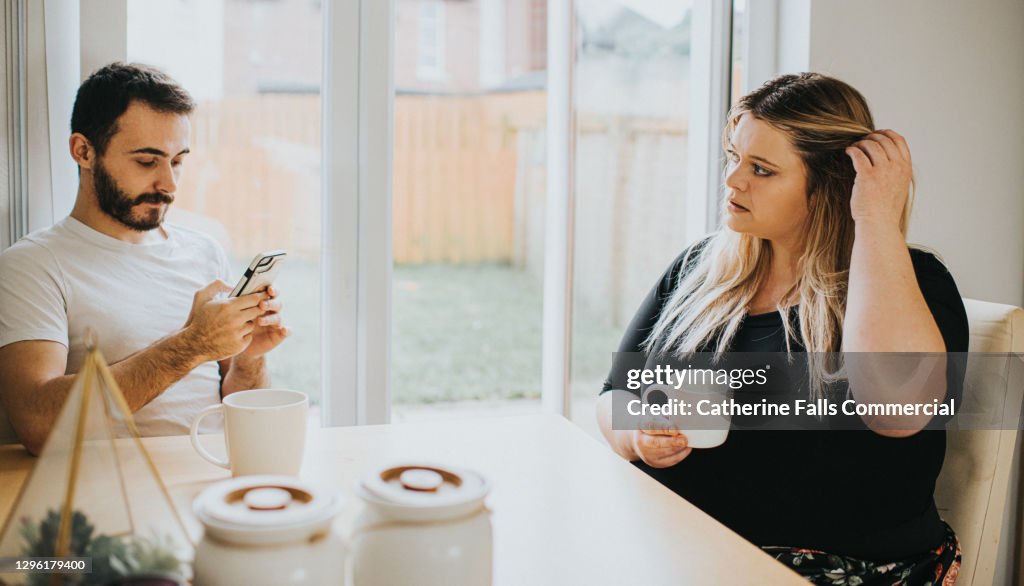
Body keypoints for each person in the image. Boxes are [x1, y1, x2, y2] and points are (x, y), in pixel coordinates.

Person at [596, 73, 967, 584]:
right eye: (734, 157)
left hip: (837, 568)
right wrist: (638, 437)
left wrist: (876, 220)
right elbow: (614, 396)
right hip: (685, 546)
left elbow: (897, 413)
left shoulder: (914, 280)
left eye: (762, 170)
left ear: (831, 184)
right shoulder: (698, 268)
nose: (733, 181)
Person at [0, 63, 290, 455]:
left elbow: (240, 413)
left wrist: (248, 360)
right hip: (117, 497)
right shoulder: (33, 266)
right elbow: (38, 424)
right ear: (83, 151)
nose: (169, 184)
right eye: (147, 161)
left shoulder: (204, 251)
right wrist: (191, 345)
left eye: (178, 161)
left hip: (217, 478)